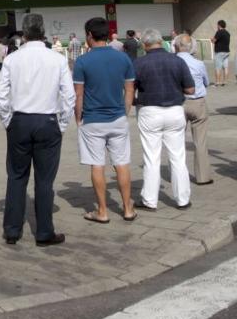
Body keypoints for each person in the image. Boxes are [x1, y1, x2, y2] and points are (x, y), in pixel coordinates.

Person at [0, 13, 75, 245]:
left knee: (16, 176)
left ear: (24, 32)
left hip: (19, 121)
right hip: (47, 121)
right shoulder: (57, 59)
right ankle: (44, 231)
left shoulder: (12, 59)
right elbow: (68, 96)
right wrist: (61, 124)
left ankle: (11, 230)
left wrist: (8, 120)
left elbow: (0, 96)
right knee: (44, 180)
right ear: (43, 31)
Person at [74, 17, 136, 223]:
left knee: (97, 165)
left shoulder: (82, 61)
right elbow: (129, 89)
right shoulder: (123, 58)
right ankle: (128, 208)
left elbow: (79, 95)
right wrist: (124, 112)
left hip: (92, 120)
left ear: (90, 35)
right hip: (117, 118)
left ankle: (102, 211)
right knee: (122, 164)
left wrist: (78, 119)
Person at [131, 29, 194, 210]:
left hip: (149, 111)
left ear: (144, 44)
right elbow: (190, 89)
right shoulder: (177, 61)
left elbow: (129, 87)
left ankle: (150, 200)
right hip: (175, 110)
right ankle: (182, 199)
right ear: (162, 42)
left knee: (151, 158)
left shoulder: (139, 63)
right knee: (178, 157)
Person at [174, 33, 213, 186]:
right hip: (197, 102)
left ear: (176, 46)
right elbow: (206, 82)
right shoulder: (198, 63)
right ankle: (203, 177)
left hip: (179, 103)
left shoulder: (173, 62)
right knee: (200, 141)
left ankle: (178, 175)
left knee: (177, 141)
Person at [212, 20, 231, 87]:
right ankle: (225, 81)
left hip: (219, 52)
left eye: (217, 25)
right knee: (225, 67)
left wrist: (212, 39)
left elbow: (214, 40)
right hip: (227, 52)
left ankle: (217, 82)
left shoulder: (219, 32)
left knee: (218, 67)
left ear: (219, 25)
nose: (217, 26)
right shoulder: (228, 33)